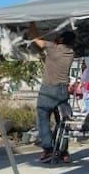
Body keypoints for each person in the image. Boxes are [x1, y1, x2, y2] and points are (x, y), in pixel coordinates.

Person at [29, 22, 75, 163]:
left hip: (49, 90)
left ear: (61, 39)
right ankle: (63, 151)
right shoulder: (71, 52)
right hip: (62, 91)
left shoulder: (52, 48)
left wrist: (31, 23)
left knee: (43, 118)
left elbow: (36, 39)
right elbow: (51, 61)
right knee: (62, 121)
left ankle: (48, 149)